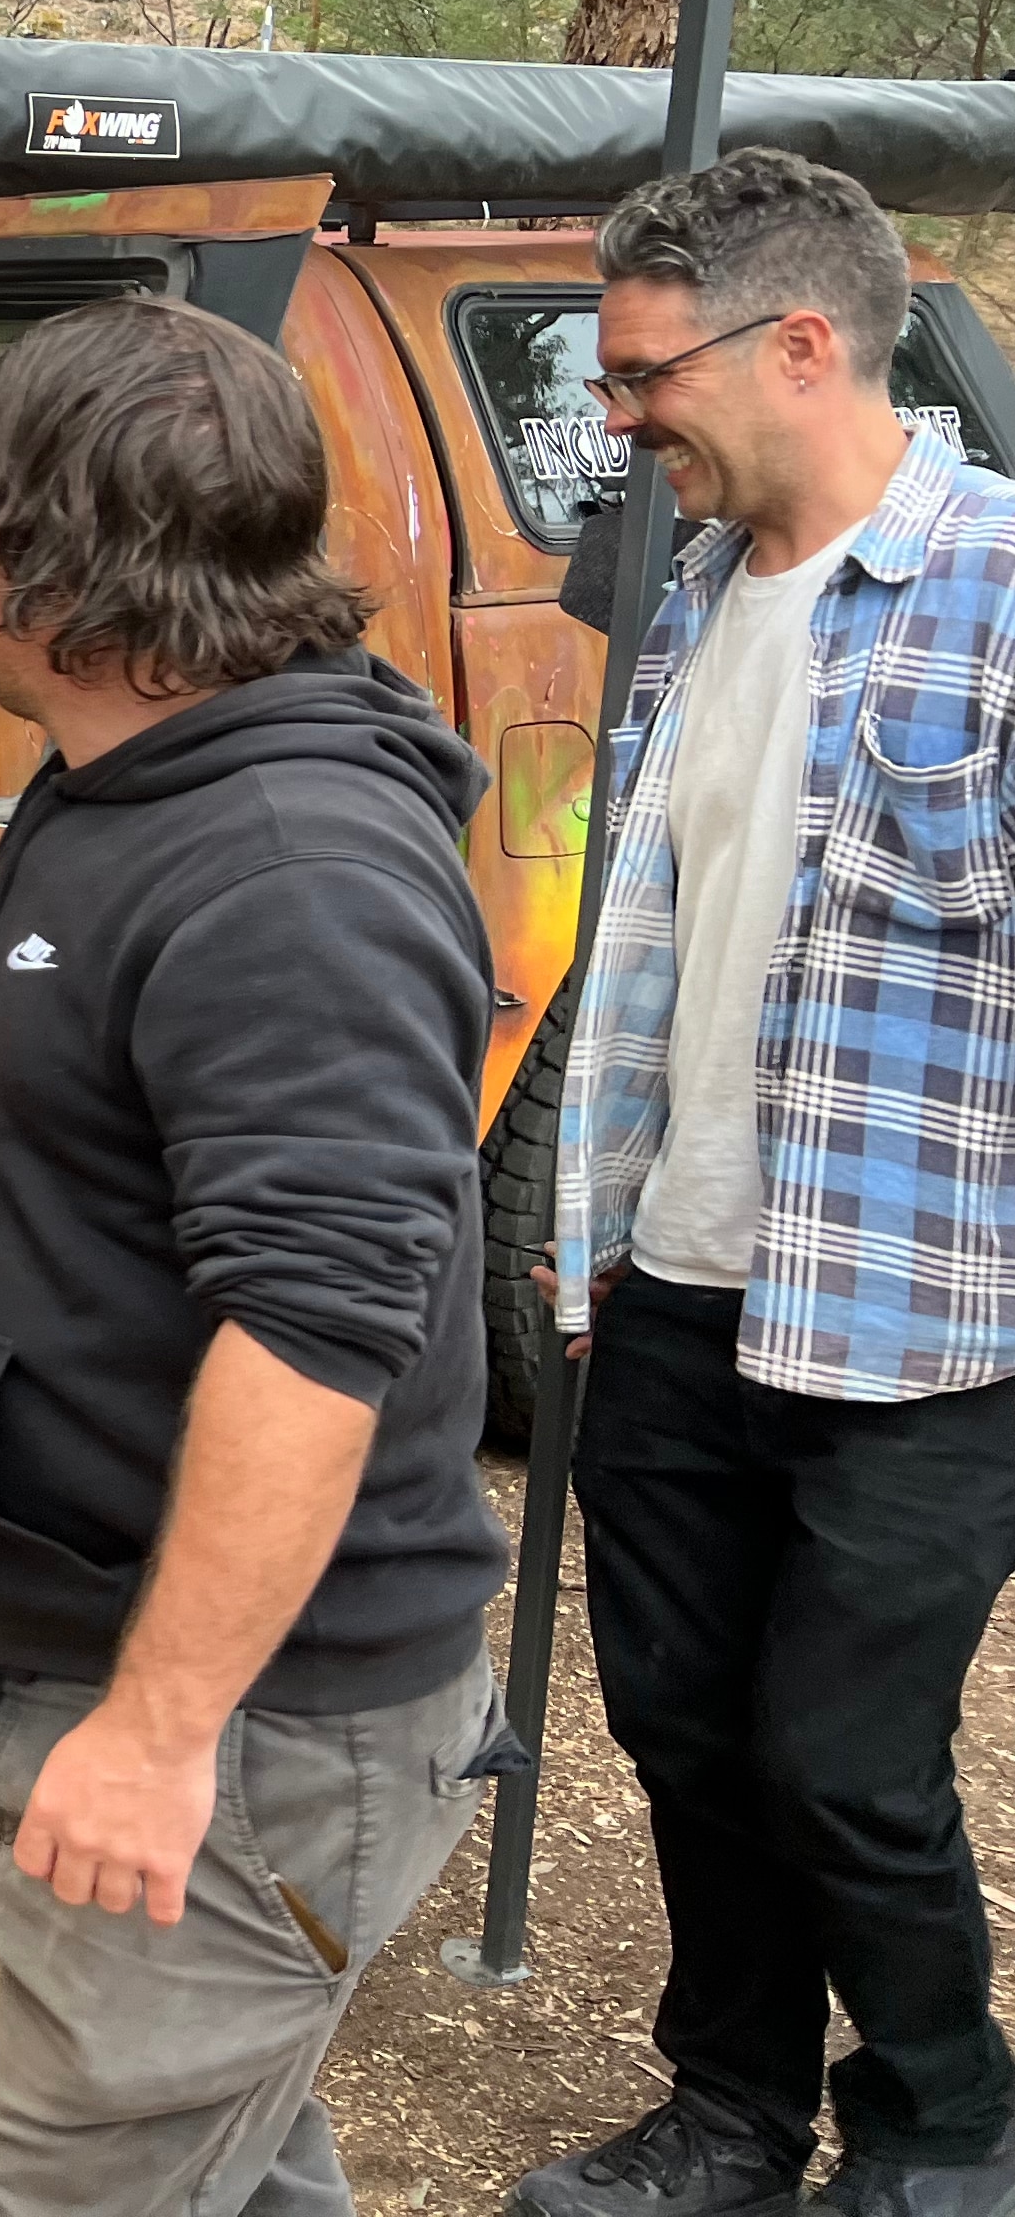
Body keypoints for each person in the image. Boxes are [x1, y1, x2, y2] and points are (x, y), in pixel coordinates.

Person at [0, 294, 507, 2217]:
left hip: (246, 1719)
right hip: (108, 1648)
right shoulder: (142, 761)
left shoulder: (289, 875)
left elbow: (315, 1331)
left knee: (76, 2184)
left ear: (26, 563)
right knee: (235, 2160)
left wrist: (155, 1724)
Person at [516, 152, 1015, 2217]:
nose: (618, 417)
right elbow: (656, 955)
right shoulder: (697, 601)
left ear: (799, 343)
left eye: (642, 374)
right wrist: (594, 1244)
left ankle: (950, 2127)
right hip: (680, 1287)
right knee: (692, 1741)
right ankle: (733, 2115)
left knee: (842, 1762)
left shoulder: (998, 591)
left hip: (925, 1320)